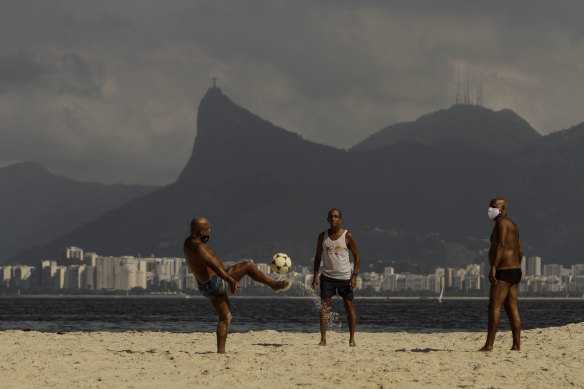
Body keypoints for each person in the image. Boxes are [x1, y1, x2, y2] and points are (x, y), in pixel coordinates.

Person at [183, 217, 291, 354]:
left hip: (204, 286)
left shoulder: (188, 243)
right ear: (201, 231)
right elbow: (215, 267)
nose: (210, 231)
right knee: (247, 266)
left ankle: (221, 352)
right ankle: (273, 284)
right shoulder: (199, 247)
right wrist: (231, 281)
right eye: (208, 229)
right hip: (215, 282)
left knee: (225, 317)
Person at [479, 198, 523, 352]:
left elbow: (501, 246)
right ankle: (516, 345)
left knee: (494, 307)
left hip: (503, 271)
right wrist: (516, 265)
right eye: (489, 206)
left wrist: (494, 267)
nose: (490, 209)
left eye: (493, 207)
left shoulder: (501, 223)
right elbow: (520, 249)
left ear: (502, 208)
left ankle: (489, 345)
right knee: (512, 309)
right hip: (515, 271)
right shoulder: (514, 225)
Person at [312, 208, 361, 347]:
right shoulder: (322, 236)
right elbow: (317, 257)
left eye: (336, 216)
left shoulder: (347, 235)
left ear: (340, 219)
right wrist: (315, 276)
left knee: (348, 306)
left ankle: (351, 339)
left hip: (345, 277)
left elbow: (357, 256)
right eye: (331, 217)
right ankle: (323, 339)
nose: (333, 218)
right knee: (324, 307)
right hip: (327, 277)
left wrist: (354, 276)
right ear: (327, 220)